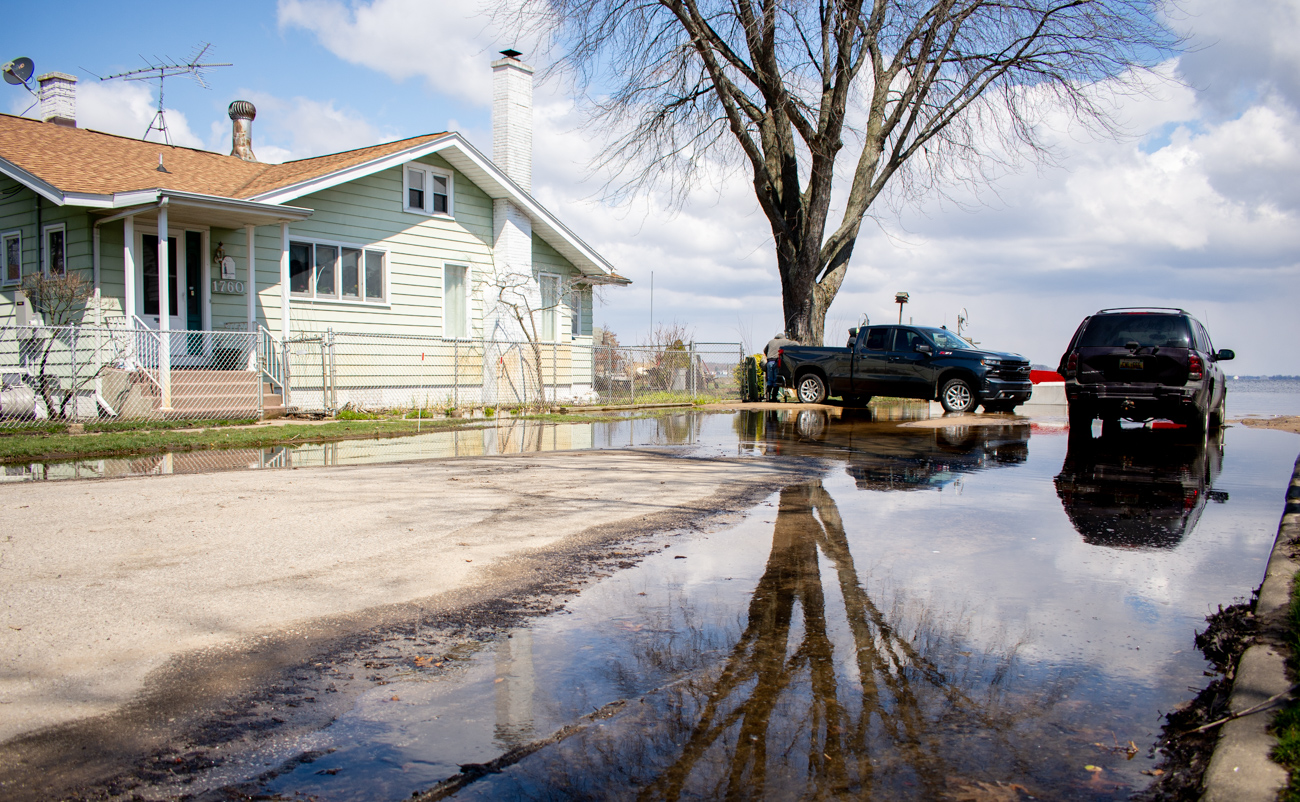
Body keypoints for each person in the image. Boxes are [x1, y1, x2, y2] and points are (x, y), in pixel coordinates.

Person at [764, 331, 797, 401]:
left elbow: (765, 350)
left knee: (770, 379)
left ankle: (767, 397)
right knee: (776, 380)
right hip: (776, 362)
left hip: (769, 362)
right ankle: (774, 397)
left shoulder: (771, 342)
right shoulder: (785, 341)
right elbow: (796, 344)